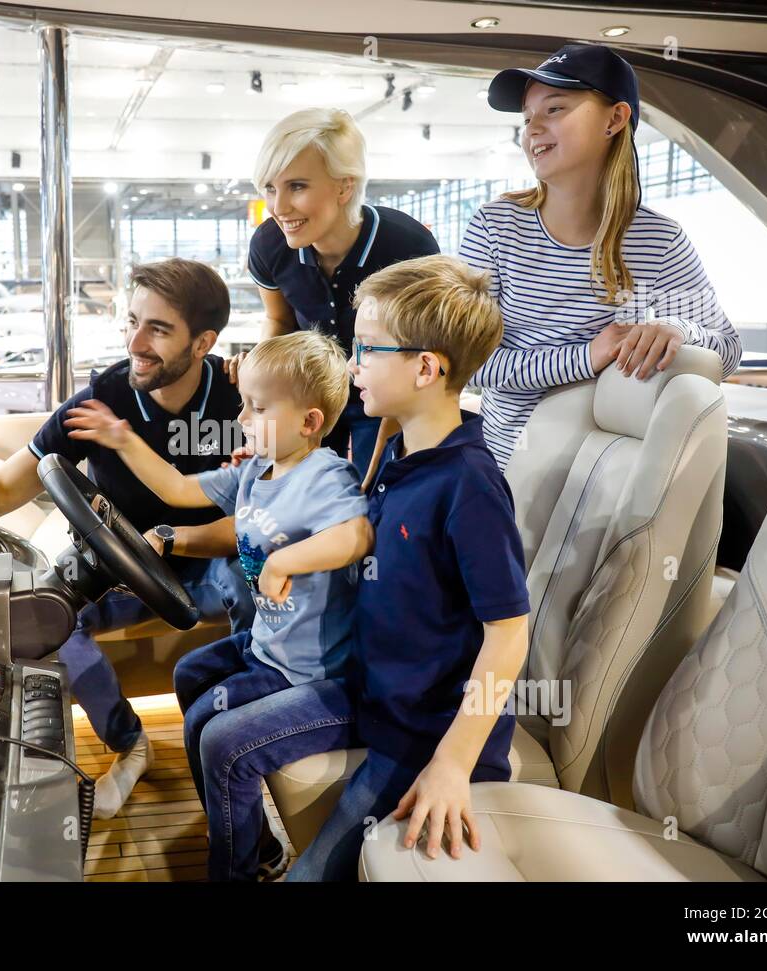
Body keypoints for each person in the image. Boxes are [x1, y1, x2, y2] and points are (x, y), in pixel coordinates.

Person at [0, 258, 255, 818]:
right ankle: (129, 742)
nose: (136, 343)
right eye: (131, 322)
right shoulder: (101, 403)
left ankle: (252, 730)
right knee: (48, 620)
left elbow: (289, 476)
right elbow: (0, 492)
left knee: (256, 581)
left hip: (217, 555)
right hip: (131, 565)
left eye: (159, 329)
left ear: (204, 343)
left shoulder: (241, 392)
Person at [65, 330, 372, 881]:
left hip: (316, 674)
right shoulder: (256, 469)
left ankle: (240, 868)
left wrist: (285, 562)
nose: (244, 418)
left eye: (258, 408)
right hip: (269, 650)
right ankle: (252, 841)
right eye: (243, 405)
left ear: (309, 422)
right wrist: (122, 440)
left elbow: (357, 535)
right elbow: (178, 490)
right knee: (190, 674)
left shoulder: (327, 476)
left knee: (219, 740)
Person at [286, 254, 531, 882]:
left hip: (423, 733)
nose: (351, 365)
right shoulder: (397, 451)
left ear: (426, 367)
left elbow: (509, 635)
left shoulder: (469, 486)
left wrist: (452, 764)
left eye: (367, 349)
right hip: (376, 697)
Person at [460, 43, 741, 470]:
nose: (533, 128)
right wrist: (587, 356)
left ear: (615, 119)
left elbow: (729, 350)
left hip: (598, 477)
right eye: (527, 116)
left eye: (554, 109)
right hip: (503, 472)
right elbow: (466, 362)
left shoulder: (658, 239)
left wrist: (674, 329)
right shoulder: (496, 227)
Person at [238, 107, 441, 476]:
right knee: (296, 490)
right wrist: (261, 388)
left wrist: (398, 422)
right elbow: (278, 318)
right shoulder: (269, 244)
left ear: (345, 185)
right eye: (270, 187)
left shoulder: (408, 246)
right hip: (308, 391)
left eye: (296, 186)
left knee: (377, 489)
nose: (279, 207)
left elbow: (426, 346)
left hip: (383, 392)